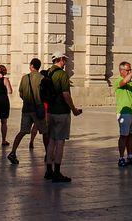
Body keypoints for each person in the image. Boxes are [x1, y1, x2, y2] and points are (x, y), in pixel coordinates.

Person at [45, 51, 82, 183]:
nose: (65, 62)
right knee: (60, 142)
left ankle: (48, 170)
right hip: (61, 111)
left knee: (51, 141)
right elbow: (66, 94)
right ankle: (57, 172)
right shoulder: (62, 74)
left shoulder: (48, 73)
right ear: (60, 60)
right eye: (64, 60)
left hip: (50, 111)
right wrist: (74, 109)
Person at [8, 58, 48, 165]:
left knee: (22, 131)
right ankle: (48, 153)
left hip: (26, 108)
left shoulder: (24, 78)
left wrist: (27, 99)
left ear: (31, 66)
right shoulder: (42, 78)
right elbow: (44, 95)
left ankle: (13, 152)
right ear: (39, 67)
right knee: (45, 132)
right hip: (38, 109)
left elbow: (21, 93)